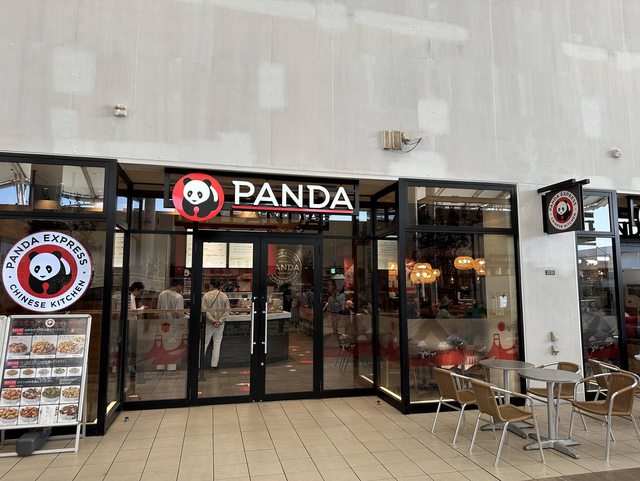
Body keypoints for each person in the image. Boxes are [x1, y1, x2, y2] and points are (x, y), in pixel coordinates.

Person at [201, 278, 230, 369]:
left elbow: (204, 310)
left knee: (205, 343)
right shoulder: (224, 296)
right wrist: (220, 321)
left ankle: (199, 364)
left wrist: (212, 320)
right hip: (220, 324)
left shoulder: (206, 295)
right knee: (217, 343)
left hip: (209, 323)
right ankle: (214, 365)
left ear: (211, 285)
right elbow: (227, 310)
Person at [127, 281, 146, 375]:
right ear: (136, 289)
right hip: (130, 324)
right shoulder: (131, 297)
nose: (140, 294)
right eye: (140, 291)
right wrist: (142, 308)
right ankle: (130, 366)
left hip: (130, 324)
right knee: (131, 345)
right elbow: (132, 312)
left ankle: (131, 366)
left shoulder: (130, 297)